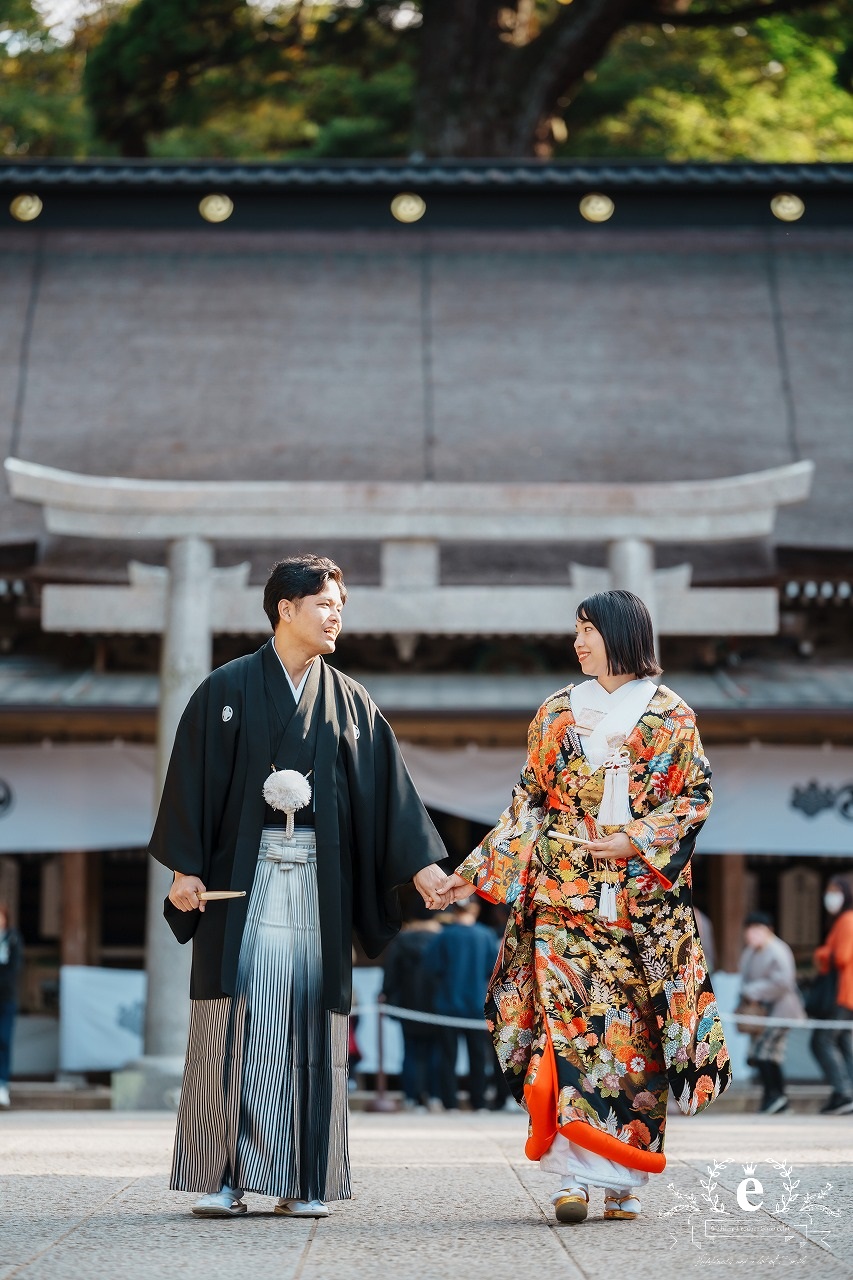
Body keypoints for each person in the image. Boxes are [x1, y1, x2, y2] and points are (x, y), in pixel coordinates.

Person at [151, 554, 449, 1218]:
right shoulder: (223, 691)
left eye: (340, 602)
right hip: (240, 884)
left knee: (308, 1028)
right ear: (286, 609)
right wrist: (185, 869)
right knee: (234, 1022)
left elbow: (389, 798)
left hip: (316, 883)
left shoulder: (350, 702)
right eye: (324, 602)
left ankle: (304, 1177)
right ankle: (222, 1178)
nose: (336, 613)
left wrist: (421, 865)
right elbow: (191, 788)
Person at [439, 590, 731, 1225]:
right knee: (565, 1035)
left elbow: (695, 798)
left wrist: (635, 838)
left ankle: (624, 1180)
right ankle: (568, 1178)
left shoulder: (671, 716)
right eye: (576, 629)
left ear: (624, 634)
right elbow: (528, 807)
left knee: (635, 1042)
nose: (579, 641)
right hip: (563, 900)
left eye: (590, 629)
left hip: (639, 907)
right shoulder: (555, 713)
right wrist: (470, 876)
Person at [422, 898, 499, 1111]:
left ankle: (450, 1103)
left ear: (455, 909)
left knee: (447, 1056)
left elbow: (431, 967)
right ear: (475, 909)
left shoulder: (444, 936)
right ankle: (479, 1103)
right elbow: (492, 971)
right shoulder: (486, 936)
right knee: (478, 1056)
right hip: (476, 1005)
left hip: (447, 1003)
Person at [738, 911, 804, 1114]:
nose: (752, 933)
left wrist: (753, 991)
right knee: (767, 1055)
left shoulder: (777, 949)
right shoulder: (751, 951)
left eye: (757, 929)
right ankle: (776, 1098)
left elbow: (783, 981)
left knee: (764, 1053)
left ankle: (775, 1097)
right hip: (763, 1013)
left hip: (781, 1010)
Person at [381, 892, 441, 1109]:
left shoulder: (402, 940)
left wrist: (387, 993)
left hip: (408, 1003)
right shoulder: (441, 939)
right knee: (435, 1052)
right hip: (437, 1006)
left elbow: (390, 974)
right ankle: (434, 1097)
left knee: (410, 1051)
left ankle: (410, 1097)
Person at [811, 877, 853, 1115]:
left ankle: (843, 1092)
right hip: (846, 993)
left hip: (842, 993)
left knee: (822, 1040)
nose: (831, 896)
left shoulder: (847, 920)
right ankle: (845, 1093)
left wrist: (821, 953)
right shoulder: (844, 920)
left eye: (835, 892)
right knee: (843, 1042)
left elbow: (842, 957)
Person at [0, 900, 23, 1109]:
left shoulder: (13, 939)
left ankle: (2, 1084)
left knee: (4, 1040)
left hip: (6, 998)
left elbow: (14, 968)